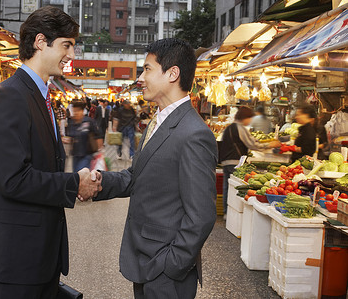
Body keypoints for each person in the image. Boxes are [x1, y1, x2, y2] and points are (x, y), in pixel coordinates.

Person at [0, 7, 101, 299]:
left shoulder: (39, 95)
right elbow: (14, 178)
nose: (71, 55)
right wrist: (73, 183)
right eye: (66, 45)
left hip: (38, 254)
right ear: (41, 42)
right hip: (18, 255)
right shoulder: (9, 96)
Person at [92, 38, 217, 299]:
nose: (141, 77)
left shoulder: (194, 133)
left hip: (165, 270)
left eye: (147, 69)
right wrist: (98, 182)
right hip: (145, 259)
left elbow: (202, 214)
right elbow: (135, 176)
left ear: (172, 74)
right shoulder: (156, 122)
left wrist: (172, 265)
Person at [220, 106, 281, 216]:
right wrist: (269, 144)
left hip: (226, 161)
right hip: (235, 161)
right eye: (250, 118)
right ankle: (232, 213)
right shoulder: (240, 128)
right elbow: (252, 144)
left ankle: (226, 213)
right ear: (245, 117)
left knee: (227, 187)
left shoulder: (230, 127)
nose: (250, 121)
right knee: (235, 188)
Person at [67, 101, 99, 172]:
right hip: (75, 154)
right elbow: (70, 136)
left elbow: (97, 135)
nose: (75, 113)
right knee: (75, 174)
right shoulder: (71, 122)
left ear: (82, 111)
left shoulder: (89, 121)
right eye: (74, 111)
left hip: (87, 154)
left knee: (82, 174)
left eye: (77, 111)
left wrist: (99, 152)